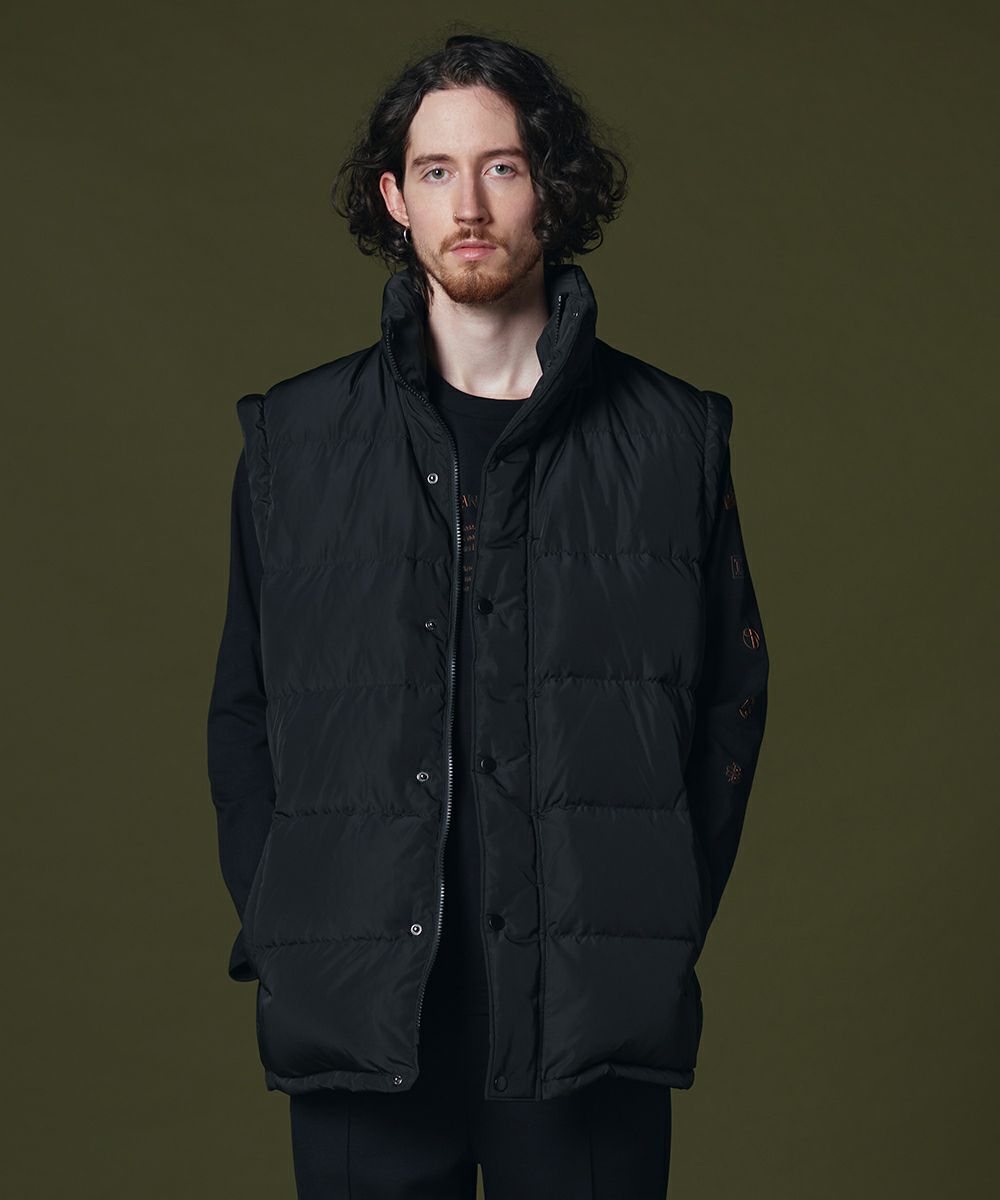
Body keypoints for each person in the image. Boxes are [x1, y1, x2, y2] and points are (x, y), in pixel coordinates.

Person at [206, 32, 769, 1199]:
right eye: (436, 170)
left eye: (502, 167)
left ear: (551, 188)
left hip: (587, 1035)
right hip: (360, 1030)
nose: (467, 205)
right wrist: (295, 921)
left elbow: (730, 702)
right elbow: (244, 713)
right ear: (394, 199)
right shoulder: (293, 445)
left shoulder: (673, 441)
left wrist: (653, 910)